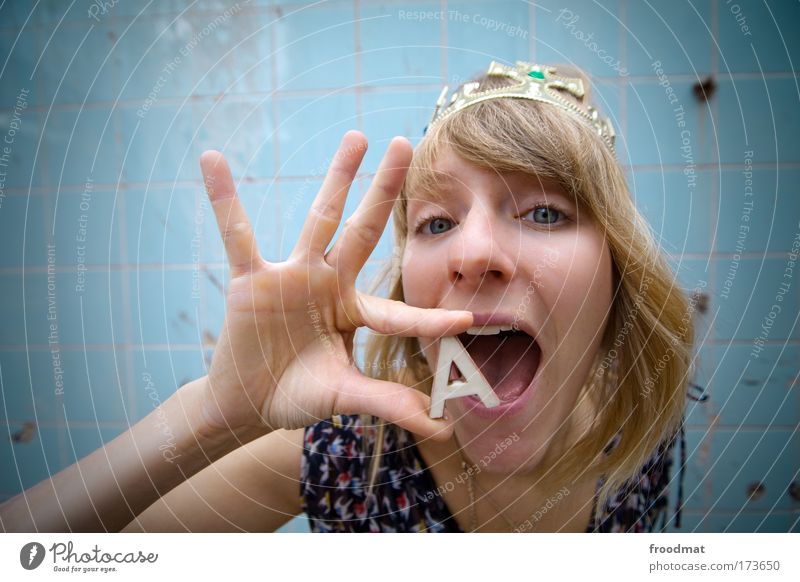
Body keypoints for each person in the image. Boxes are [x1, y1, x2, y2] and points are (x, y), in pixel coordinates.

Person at [0, 61, 693, 533]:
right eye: (437, 223)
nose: (471, 252)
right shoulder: (347, 459)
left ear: (618, 274)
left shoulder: (643, 422)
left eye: (544, 212)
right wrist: (211, 417)